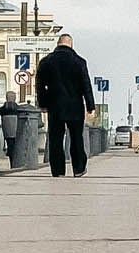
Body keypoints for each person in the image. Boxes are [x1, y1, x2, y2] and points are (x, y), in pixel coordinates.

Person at [34, 33, 96, 177]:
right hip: (75, 106)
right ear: (71, 44)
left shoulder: (46, 61)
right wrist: (90, 106)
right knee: (76, 138)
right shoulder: (79, 62)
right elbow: (86, 85)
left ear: (58, 43)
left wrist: (43, 103)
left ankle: (58, 171)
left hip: (55, 106)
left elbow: (40, 85)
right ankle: (79, 168)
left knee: (55, 139)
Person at [0, 90, 25, 165]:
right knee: (16, 145)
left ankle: (12, 161)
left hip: (7, 130)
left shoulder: (3, 108)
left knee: (10, 145)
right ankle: (16, 162)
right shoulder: (18, 108)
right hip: (16, 130)